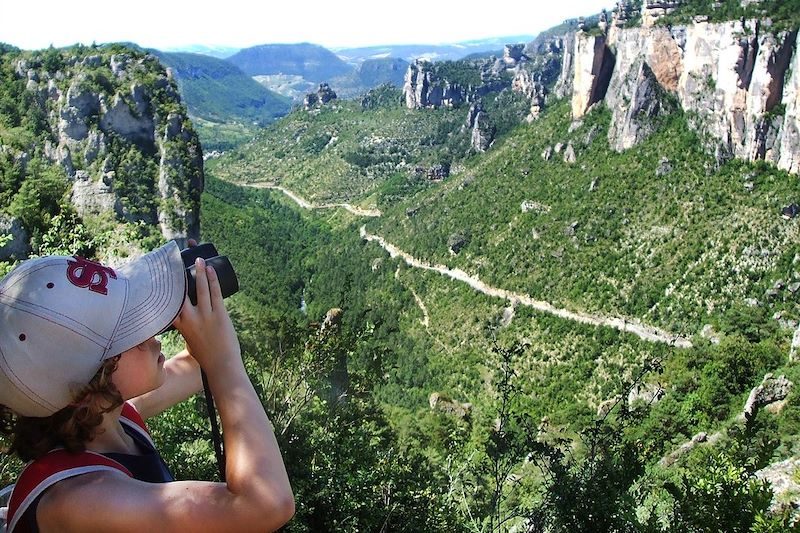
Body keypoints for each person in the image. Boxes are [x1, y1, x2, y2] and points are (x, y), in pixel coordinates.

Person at [0, 240, 295, 532]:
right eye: (131, 329)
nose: (151, 333)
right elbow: (265, 504)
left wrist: (188, 298)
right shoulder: (79, 499)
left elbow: (195, 365)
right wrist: (224, 360)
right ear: (85, 389)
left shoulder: (113, 418)